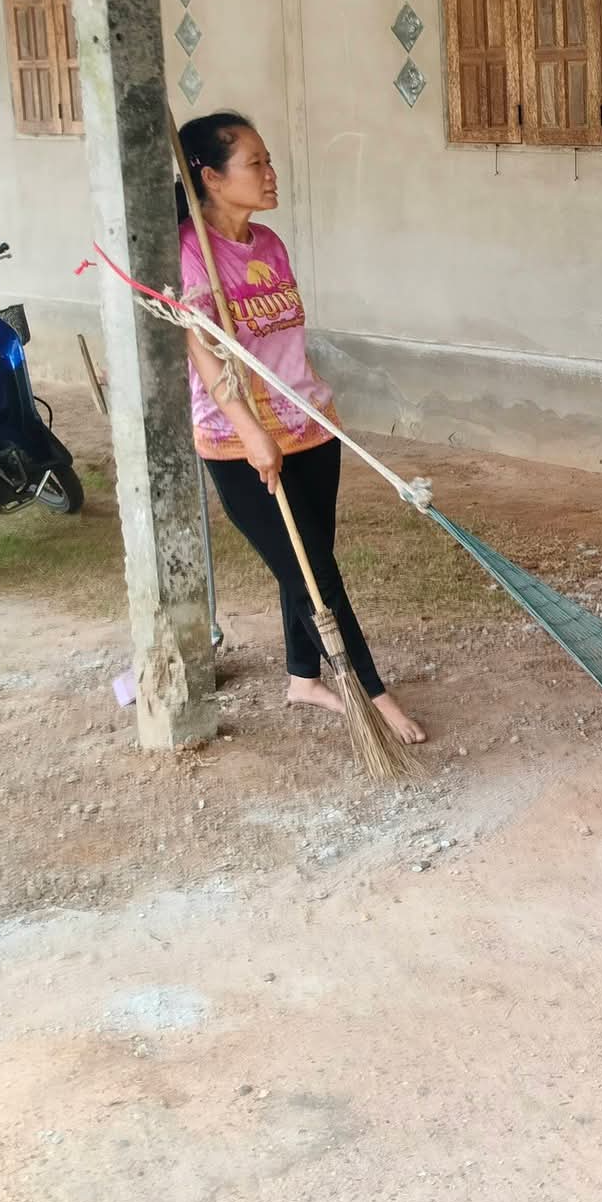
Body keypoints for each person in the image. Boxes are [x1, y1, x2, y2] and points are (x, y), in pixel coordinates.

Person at [174, 111, 426, 746]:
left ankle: (303, 677)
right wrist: (250, 431)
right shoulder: (190, 250)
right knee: (314, 571)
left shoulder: (269, 245)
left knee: (306, 560)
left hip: (311, 427)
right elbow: (204, 350)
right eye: (255, 163)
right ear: (209, 176)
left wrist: (294, 422)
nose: (270, 173)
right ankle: (374, 695)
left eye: (268, 160)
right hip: (242, 441)